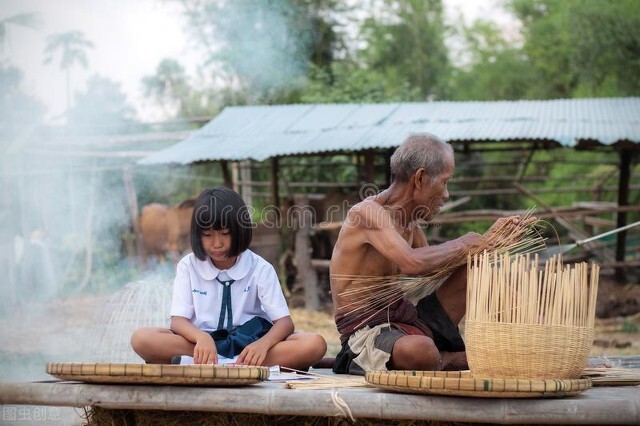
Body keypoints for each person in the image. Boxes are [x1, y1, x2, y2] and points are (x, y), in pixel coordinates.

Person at [330, 133, 528, 375]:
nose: (446, 194)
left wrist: (489, 244)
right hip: (367, 334)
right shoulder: (367, 214)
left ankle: (444, 358)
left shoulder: (410, 224)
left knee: (474, 269)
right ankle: (444, 360)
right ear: (421, 178)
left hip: (406, 322)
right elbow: (413, 263)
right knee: (420, 351)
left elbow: (433, 269)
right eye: (444, 182)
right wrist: (468, 243)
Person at [131, 187, 327, 370]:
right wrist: (201, 339)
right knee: (142, 339)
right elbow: (178, 322)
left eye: (225, 234)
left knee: (314, 344)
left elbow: (284, 323)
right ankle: (222, 361)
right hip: (199, 344)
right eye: (207, 235)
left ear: (240, 230)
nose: (216, 243)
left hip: (250, 346)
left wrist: (262, 345)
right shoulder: (187, 266)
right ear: (197, 236)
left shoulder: (260, 268)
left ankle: (227, 362)